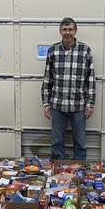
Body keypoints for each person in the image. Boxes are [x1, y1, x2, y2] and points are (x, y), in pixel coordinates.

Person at [41, 17, 96, 160]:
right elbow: (48, 78)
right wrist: (46, 103)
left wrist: (90, 103)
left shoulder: (85, 50)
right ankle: (57, 175)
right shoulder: (53, 51)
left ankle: (80, 175)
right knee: (57, 142)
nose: (67, 33)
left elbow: (90, 78)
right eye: (64, 30)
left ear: (75, 31)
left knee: (80, 143)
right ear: (60, 32)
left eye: (70, 29)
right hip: (58, 105)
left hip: (79, 106)